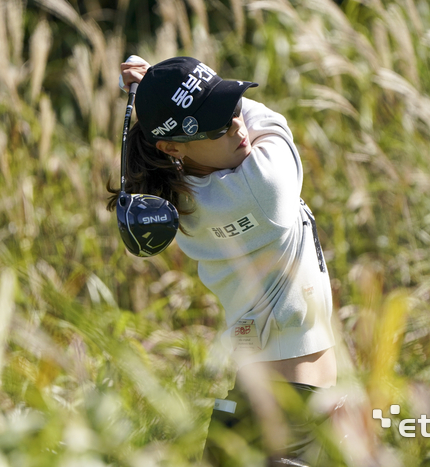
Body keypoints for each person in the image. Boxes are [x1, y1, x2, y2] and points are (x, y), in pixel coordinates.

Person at [113, 56, 339, 466]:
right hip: (293, 416)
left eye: (232, 110)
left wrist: (162, 98)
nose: (236, 126)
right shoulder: (264, 187)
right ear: (171, 146)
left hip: (249, 403)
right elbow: (271, 120)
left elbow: (181, 132)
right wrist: (174, 95)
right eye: (218, 124)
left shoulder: (180, 203)